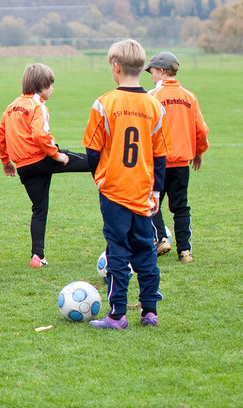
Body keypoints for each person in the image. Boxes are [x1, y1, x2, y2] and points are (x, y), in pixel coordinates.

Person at [82, 39, 169, 329]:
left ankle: (118, 314)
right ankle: (150, 312)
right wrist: (156, 189)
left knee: (117, 249)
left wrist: (100, 177)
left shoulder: (104, 103)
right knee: (145, 249)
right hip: (144, 190)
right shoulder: (155, 106)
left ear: (115, 67)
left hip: (115, 190)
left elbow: (92, 151)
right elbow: (160, 155)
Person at [0, 63, 89, 268]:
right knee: (90, 161)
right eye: (51, 84)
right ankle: (110, 179)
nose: (53, 89)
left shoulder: (11, 107)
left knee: (39, 209)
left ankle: (37, 256)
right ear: (42, 85)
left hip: (24, 167)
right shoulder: (38, 106)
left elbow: (1, 136)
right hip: (41, 159)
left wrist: (5, 161)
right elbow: (39, 134)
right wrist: (56, 155)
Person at [146, 52, 209, 262]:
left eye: (153, 72)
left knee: (151, 203)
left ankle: (161, 238)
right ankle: (185, 252)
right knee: (181, 206)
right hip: (182, 161)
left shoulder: (152, 96)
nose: (152, 77)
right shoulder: (189, 97)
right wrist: (198, 151)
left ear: (162, 72)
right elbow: (200, 129)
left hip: (159, 161)